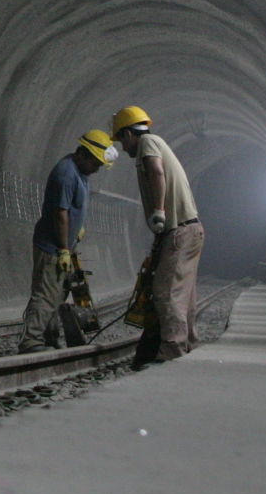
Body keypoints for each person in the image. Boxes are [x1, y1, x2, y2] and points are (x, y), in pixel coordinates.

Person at [112, 104, 203, 364]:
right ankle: (191, 345)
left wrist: (159, 211)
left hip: (180, 230)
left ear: (129, 134)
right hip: (191, 229)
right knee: (185, 296)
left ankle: (172, 351)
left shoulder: (148, 142)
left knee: (166, 293)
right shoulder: (158, 141)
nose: (122, 146)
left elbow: (156, 171)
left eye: (121, 139)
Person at [19, 130, 115, 351]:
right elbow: (60, 213)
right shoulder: (66, 174)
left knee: (57, 294)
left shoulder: (81, 172)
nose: (96, 169)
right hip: (52, 246)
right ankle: (31, 340)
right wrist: (63, 248)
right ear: (82, 153)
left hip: (63, 245)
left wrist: (76, 231)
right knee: (45, 294)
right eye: (95, 163)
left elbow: (72, 208)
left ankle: (49, 338)